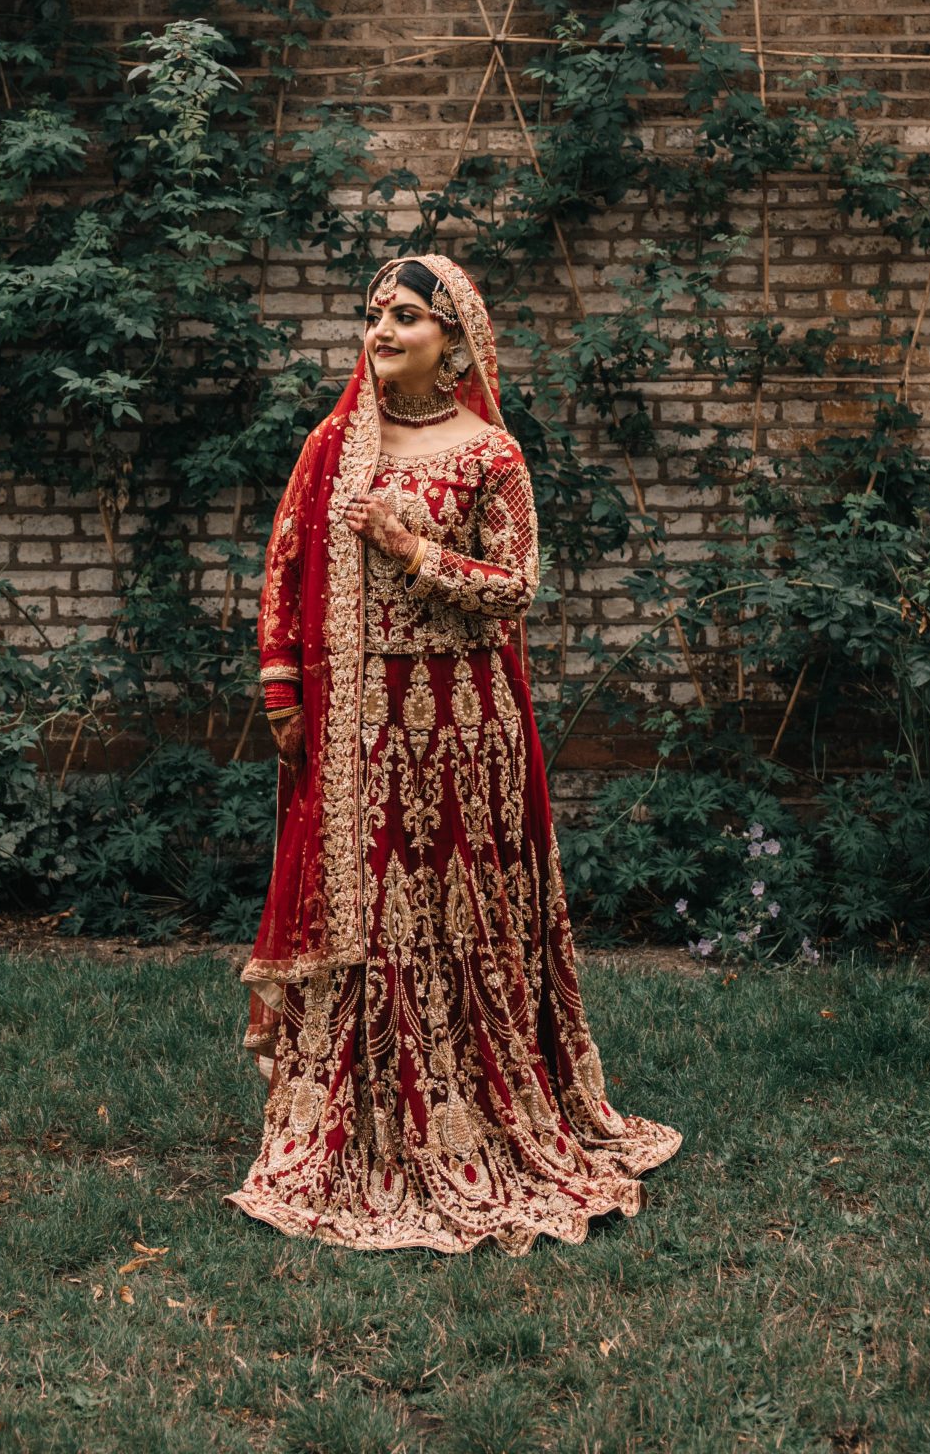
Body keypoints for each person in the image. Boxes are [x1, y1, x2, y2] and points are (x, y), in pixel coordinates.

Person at [227, 253, 681, 1254]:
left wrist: (409, 549)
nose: (381, 330)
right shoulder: (332, 445)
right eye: (374, 313)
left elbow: (516, 587)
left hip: (466, 725)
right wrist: (280, 687)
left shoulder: (490, 454)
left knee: (458, 910)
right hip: (358, 721)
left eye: (405, 316)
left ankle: (477, 1106)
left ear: (456, 342)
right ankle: (353, 1122)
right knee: (367, 908)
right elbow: (285, 564)